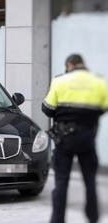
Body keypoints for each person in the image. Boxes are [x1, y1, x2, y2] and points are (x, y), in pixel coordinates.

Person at [42, 54, 108, 223]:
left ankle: (57, 220)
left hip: (64, 138)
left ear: (70, 64)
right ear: (82, 64)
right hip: (87, 138)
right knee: (90, 181)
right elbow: (103, 107)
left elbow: (47, 109)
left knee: (61, 182)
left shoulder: (59, 81)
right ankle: (93, 217)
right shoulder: (98, 82)